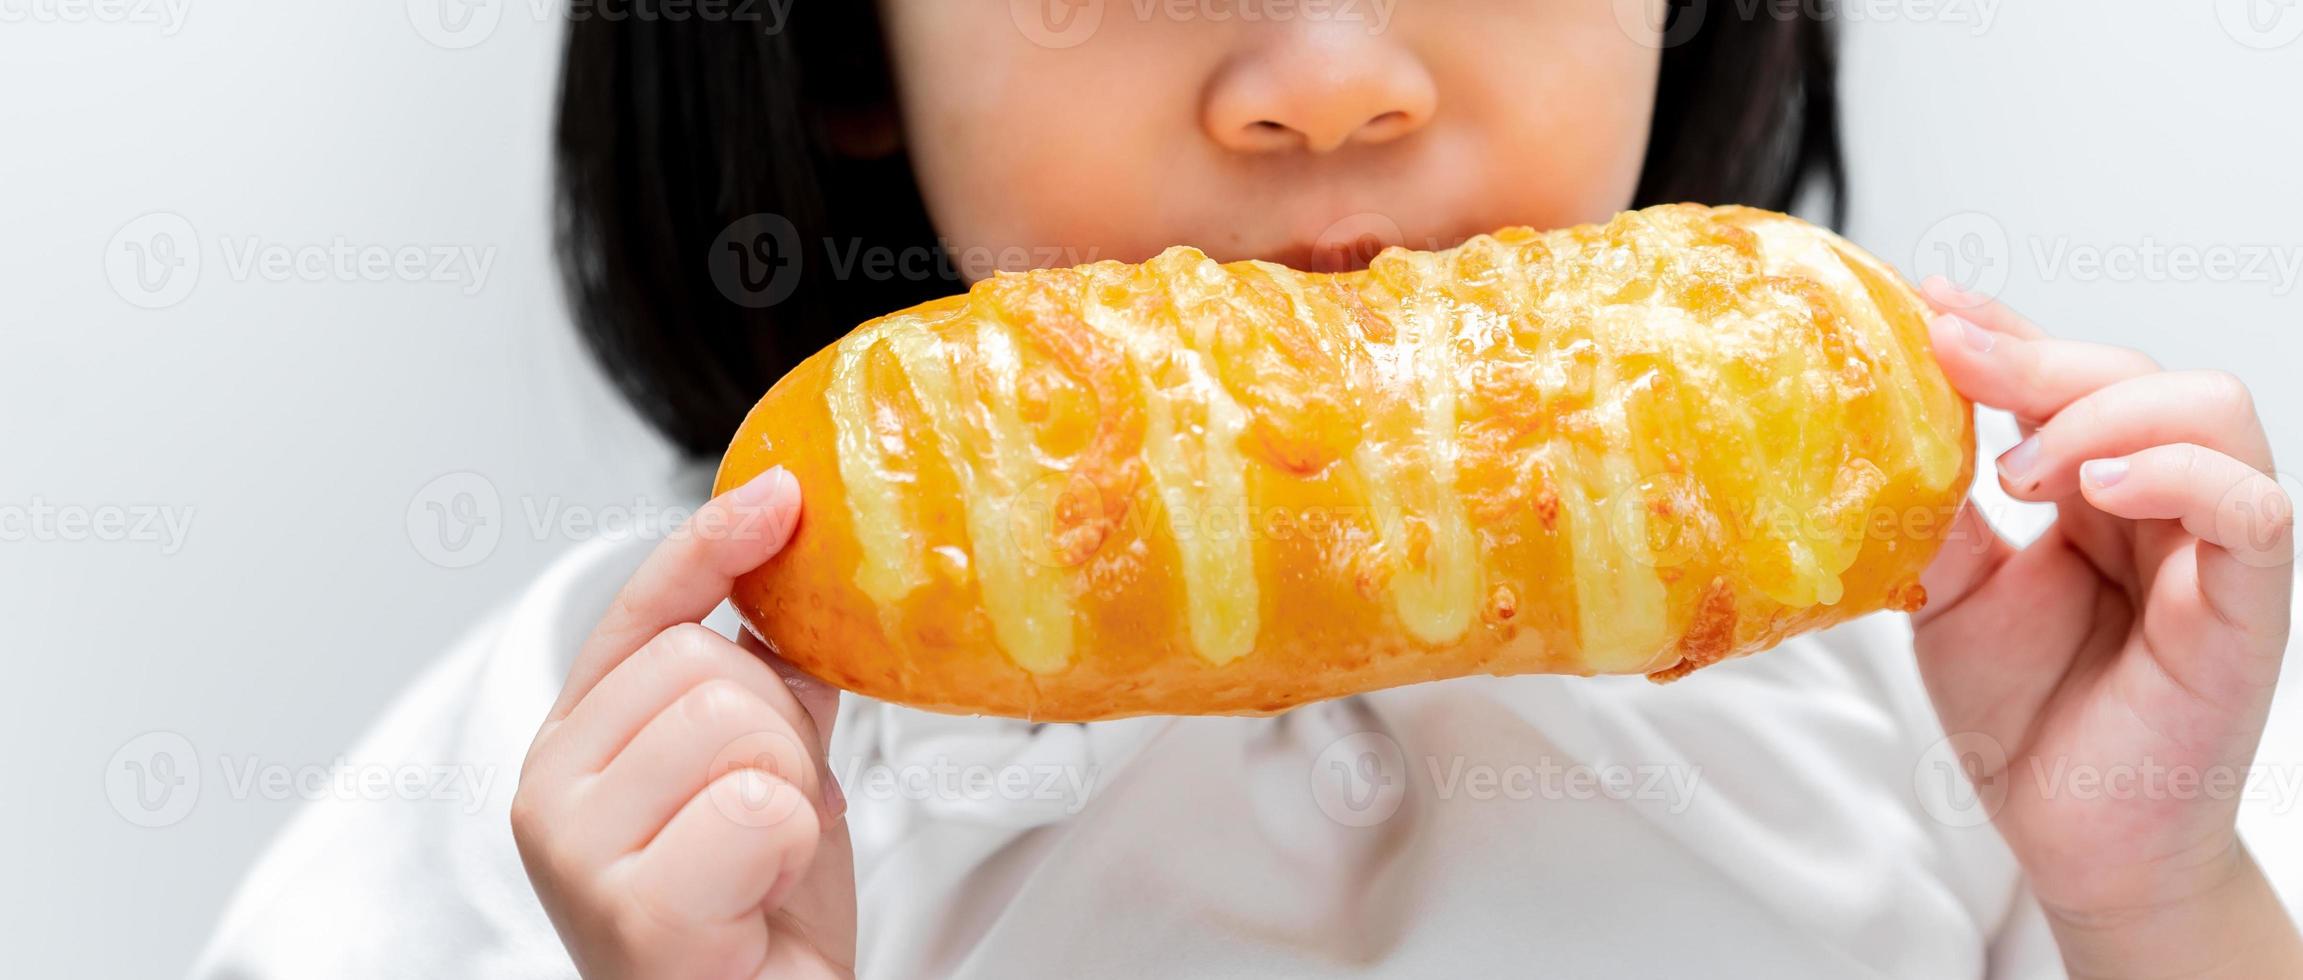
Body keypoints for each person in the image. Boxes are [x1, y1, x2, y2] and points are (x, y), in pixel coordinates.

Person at [197, 4, 2301, 977]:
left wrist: (2152, 896)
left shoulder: (1954, 692)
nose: (1328, 76)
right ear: (848, 46)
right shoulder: (602, 775)